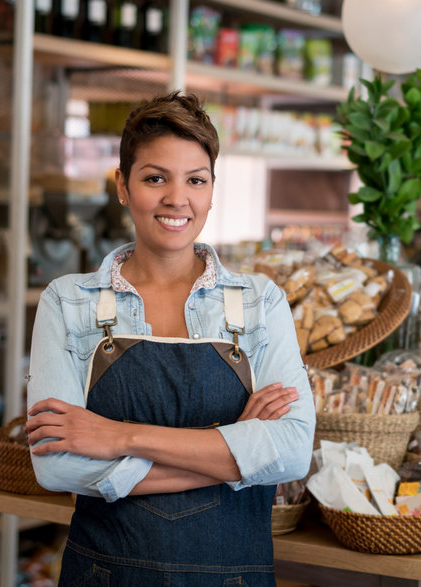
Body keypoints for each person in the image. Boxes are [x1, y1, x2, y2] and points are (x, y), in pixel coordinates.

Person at [25, 92, 315, 586]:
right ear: (123, 184)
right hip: (105, 574)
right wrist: (235, 456)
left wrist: (119, 436)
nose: (177, 198)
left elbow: (290, 452)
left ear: (211, 190)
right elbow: (57, 466)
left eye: (195, 180)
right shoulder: (67, 301)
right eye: (155, 177)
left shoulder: (259, 302)